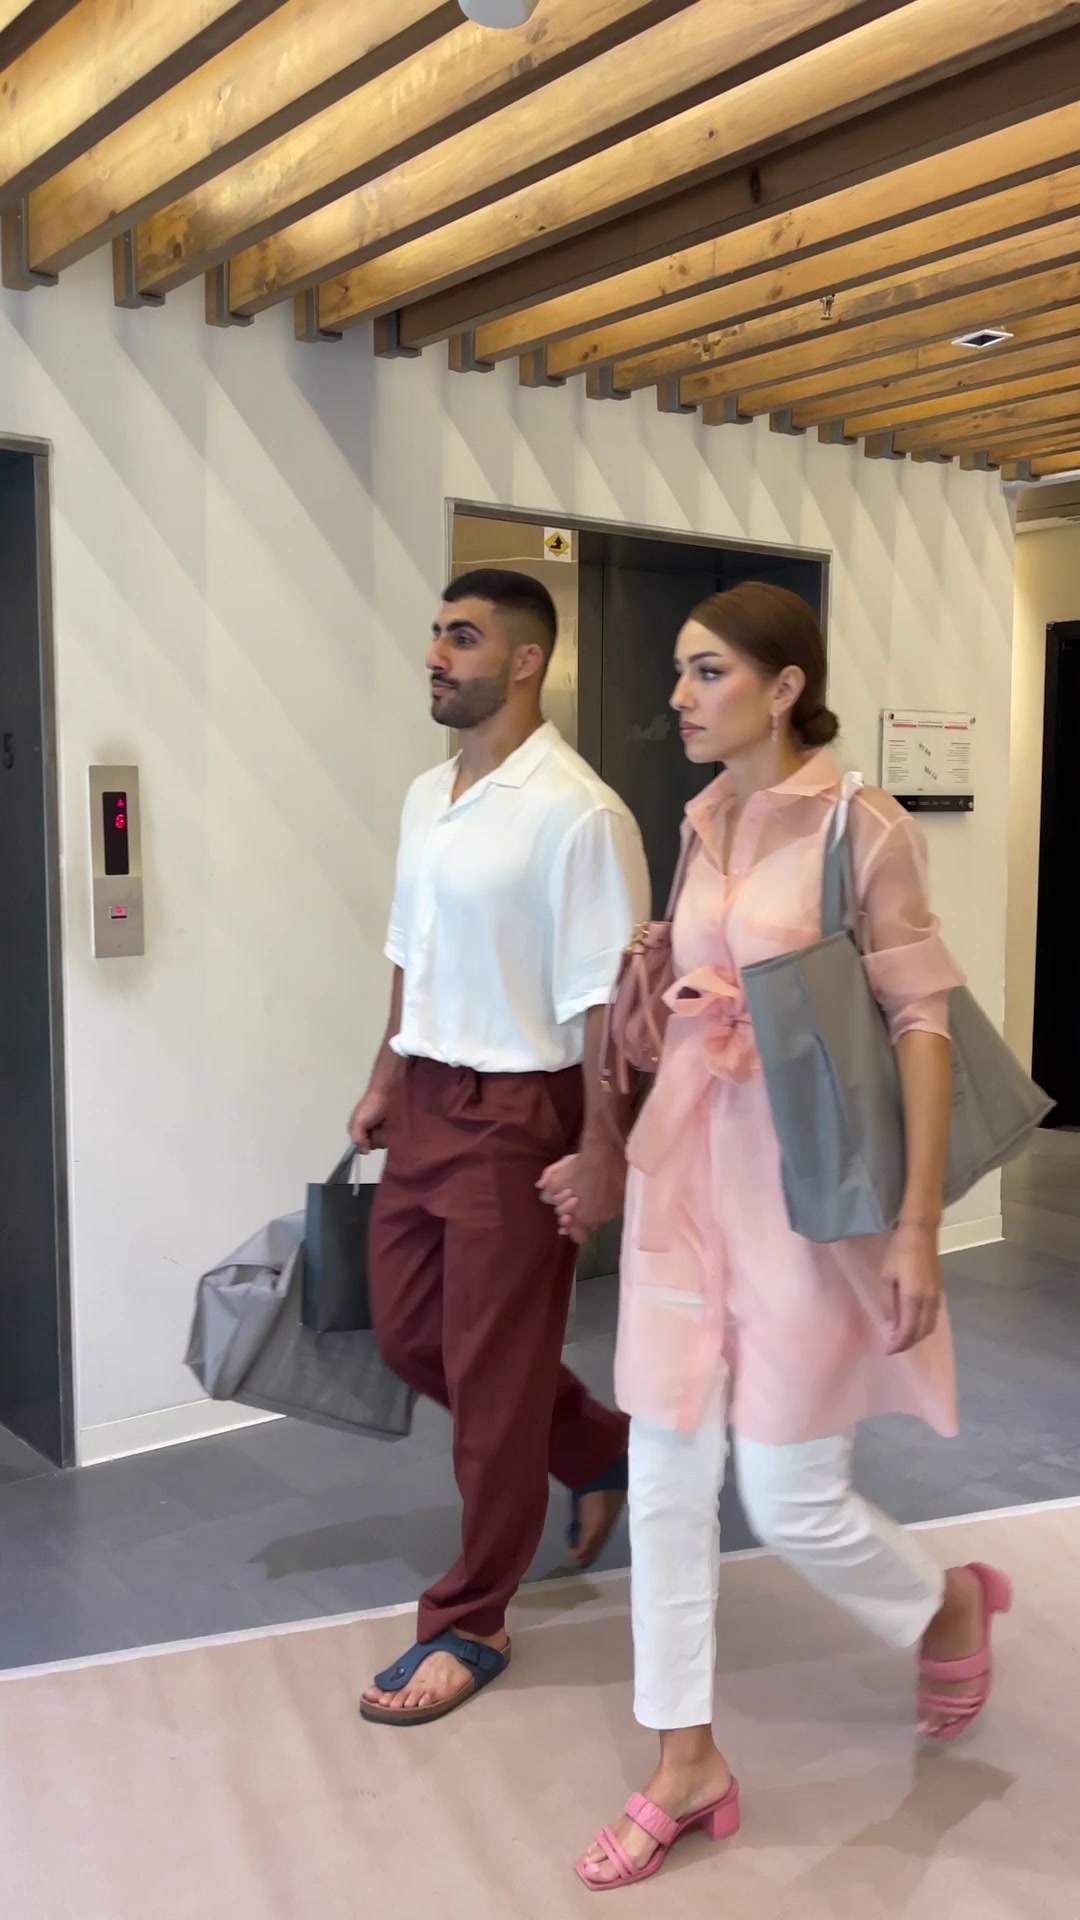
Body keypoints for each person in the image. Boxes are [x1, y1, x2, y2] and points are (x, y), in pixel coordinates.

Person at [543, 583, 1011, 1890]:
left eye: (708, 672)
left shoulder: (862, 823)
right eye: (682, 672)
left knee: (793, 1499)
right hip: (688, 1179)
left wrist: (917, 1225)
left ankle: (947, 1603)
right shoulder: (699, 823)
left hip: (807, 1197)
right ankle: (683, 1760)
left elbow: (919, 1020)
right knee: (666, 1478)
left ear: (785, 684)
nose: (680, 697)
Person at [349, 567, 650, 1728]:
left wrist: (605, 1149)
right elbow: (407, 950)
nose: (436, 654)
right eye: (435, 633)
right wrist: (386, 1074)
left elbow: (604, 1007)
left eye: (463, 637)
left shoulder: (578, 813)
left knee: (490, 1375)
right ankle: (598, 1445)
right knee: (406, 1331)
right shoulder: (429, 795)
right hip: (428, 1094)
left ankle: (472, 1618)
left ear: (526, 661)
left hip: (523, 1113)